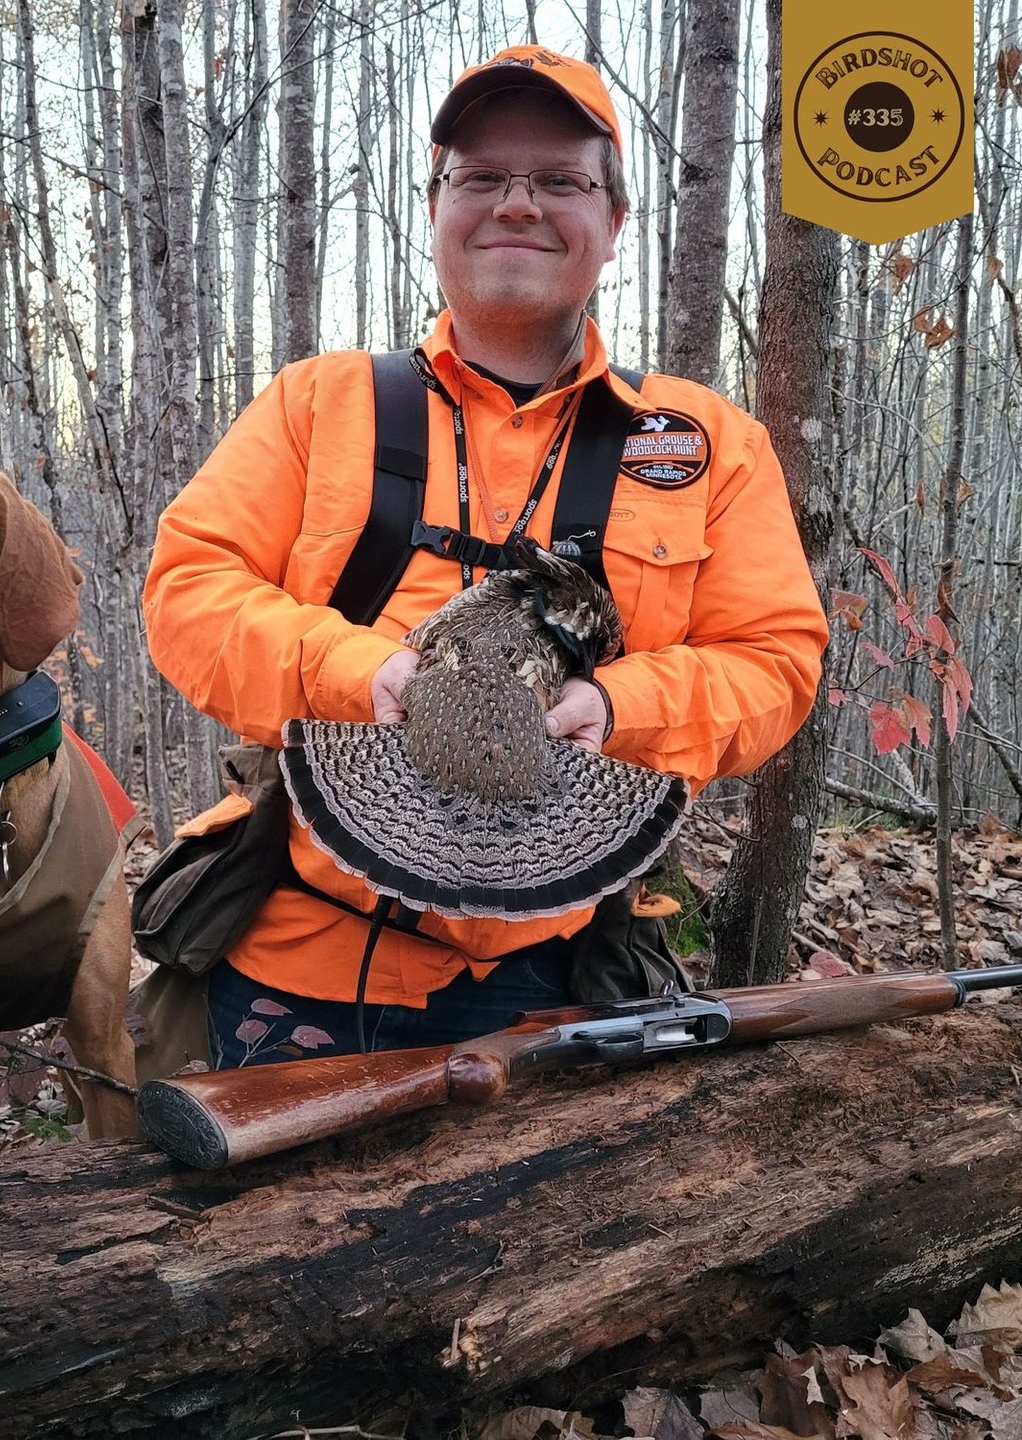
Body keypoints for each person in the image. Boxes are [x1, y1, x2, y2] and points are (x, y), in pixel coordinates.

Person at [142, 44, 829, 1068]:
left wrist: (618, 709)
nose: (519, 204)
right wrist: (362, 675)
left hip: (571, 968)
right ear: (436, 207)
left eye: (560, 180)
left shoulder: (707, 442)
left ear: (613, 224)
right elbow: (187, 594)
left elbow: (778, 659)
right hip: (304, 965)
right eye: (483, 178)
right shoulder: (316, 404)